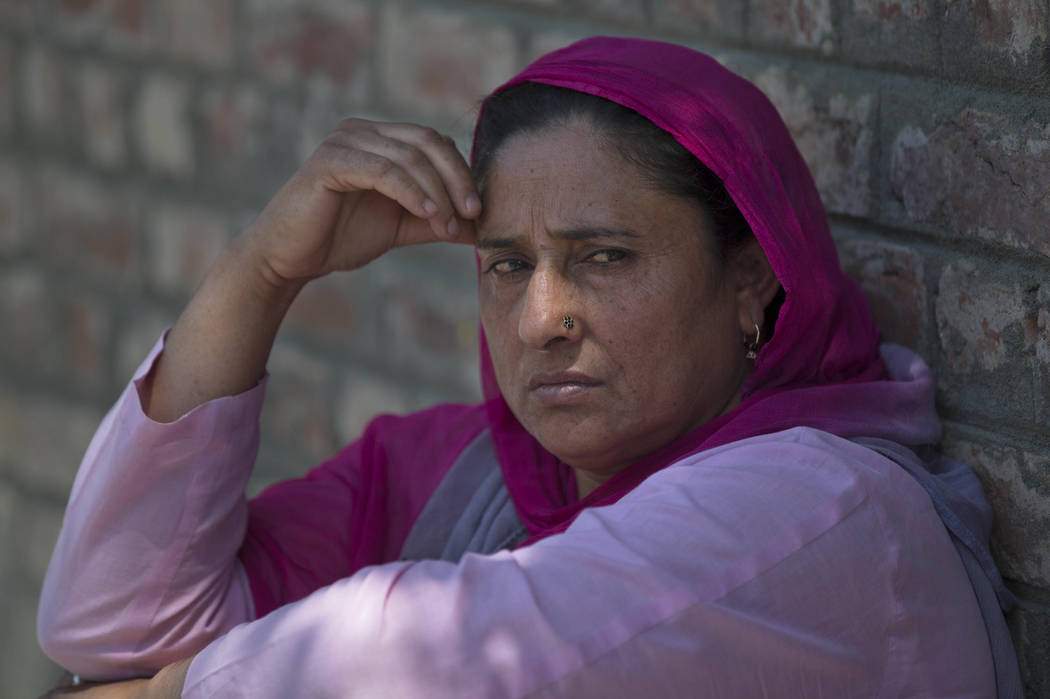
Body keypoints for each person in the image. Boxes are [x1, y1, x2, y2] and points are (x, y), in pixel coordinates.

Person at [37, 37, 1020, 697]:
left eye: (606, 258)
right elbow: (113, 626)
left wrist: (166, 694)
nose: (542, 319)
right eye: (508, 265)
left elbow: (467, 651)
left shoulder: (825, 508)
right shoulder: (472, 475)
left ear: (752, 281)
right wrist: (263, 272)